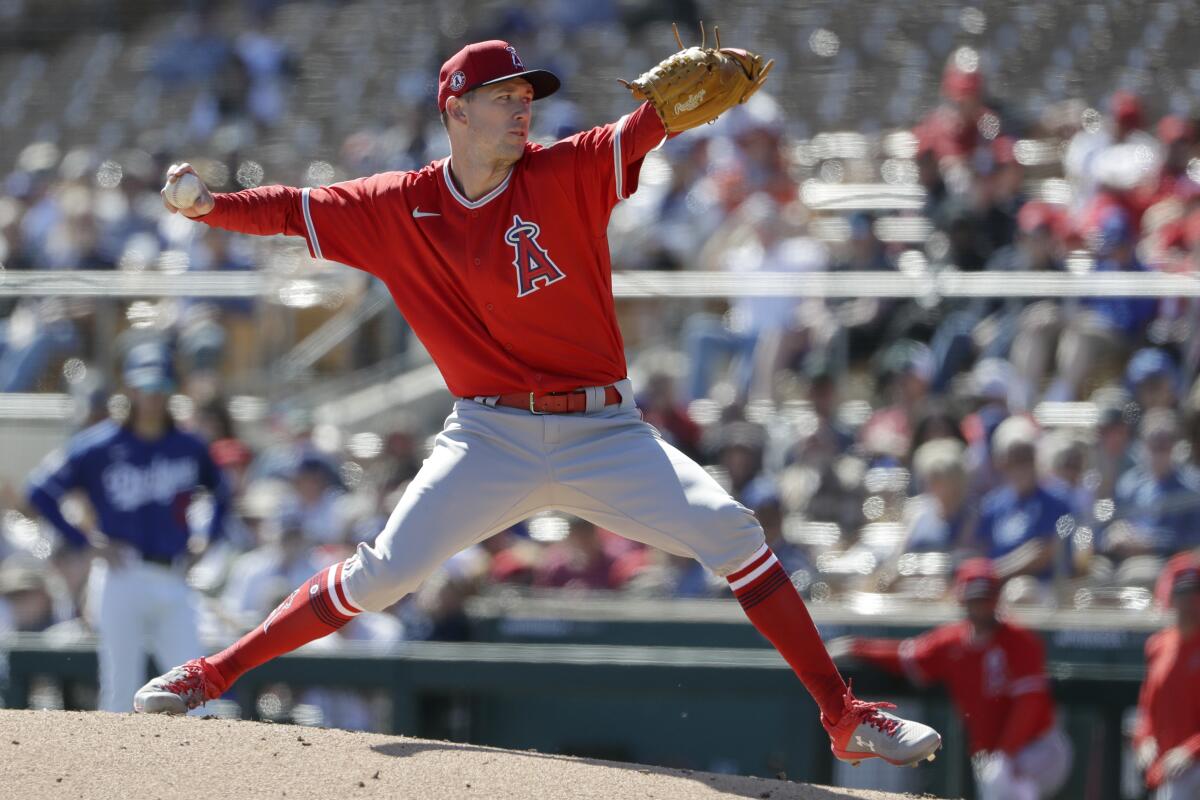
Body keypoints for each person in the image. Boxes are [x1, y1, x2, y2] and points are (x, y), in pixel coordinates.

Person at [133, 36, 941, 767]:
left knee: (733, 530)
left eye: (530, 98)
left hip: (604, 429)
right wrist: (209, 207)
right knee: (381, 575)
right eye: (505, 97)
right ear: (454, 108)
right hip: (487, 435)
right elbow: (288, 210)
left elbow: (641, 129)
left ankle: (844, 716)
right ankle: (212, 674)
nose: (525, 109)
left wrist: (665, 114)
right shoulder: (395, 206)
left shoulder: (569, 170)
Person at [25, 341, 231, 711]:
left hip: (174, 575)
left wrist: (208, 538)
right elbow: (39, 491)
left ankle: (200, 768)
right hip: (123, 574)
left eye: (160, 387)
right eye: (144, 387)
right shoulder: (99, 445)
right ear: (130, 389)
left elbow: (223, 491)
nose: (152, 396)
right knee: (120, 689)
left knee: (196, 689)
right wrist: (84, 541)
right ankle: (118, 770)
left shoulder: (188, 445)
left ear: (171, 389)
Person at [831, 559, 1073, 800]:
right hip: (996, 755)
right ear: (962, 599)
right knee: (998, 781)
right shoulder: (952, 641)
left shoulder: (1020, 641)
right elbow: (906, 656)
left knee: (1002, 783)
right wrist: (857, 648)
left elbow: (1029, 704)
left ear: (996, 598)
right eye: (974, 599)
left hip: (1037, 747)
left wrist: (1006, 753)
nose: (980, 606)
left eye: (985, 598)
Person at [1134, 563, 1200, 798]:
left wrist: (1191, 750)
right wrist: (1144, 739)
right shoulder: (1158, 645)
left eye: (1196, 595)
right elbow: (1147, 707)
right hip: (1171, 764)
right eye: (1183, 595)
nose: (1190, 603)